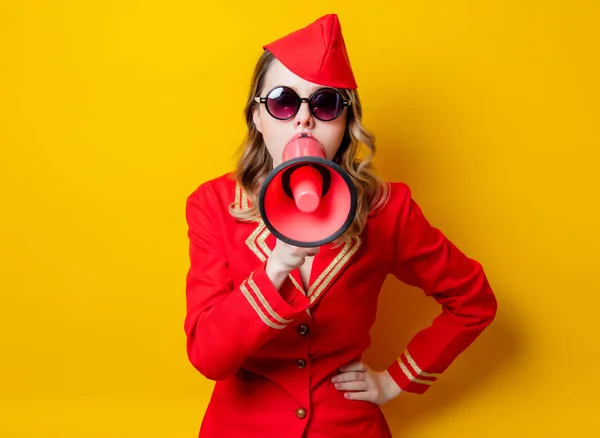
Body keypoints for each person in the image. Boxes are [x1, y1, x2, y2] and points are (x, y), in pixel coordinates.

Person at [184, 13, 497, 438]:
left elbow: (473, 301)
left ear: (347, 123)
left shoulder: (388, 209)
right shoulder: (214, 206)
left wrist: (393, 380)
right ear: (257, 118)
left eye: (325, 103)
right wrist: (275, 269)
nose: (303, 120)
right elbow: (208, 358)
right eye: (282, 101)